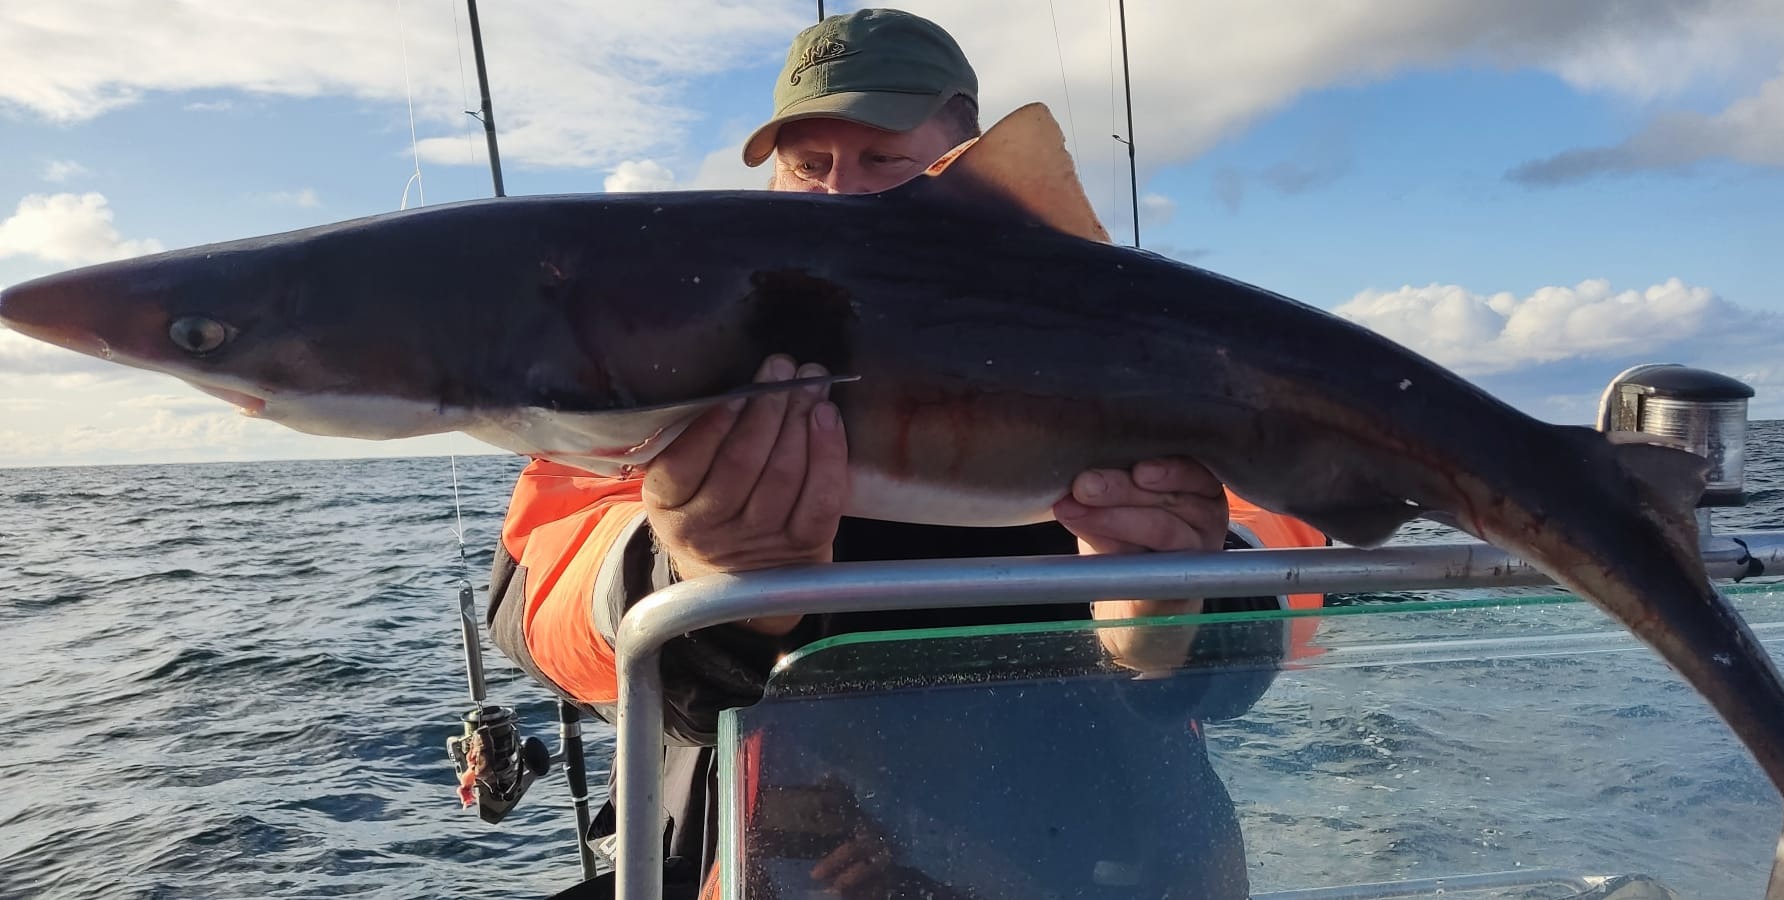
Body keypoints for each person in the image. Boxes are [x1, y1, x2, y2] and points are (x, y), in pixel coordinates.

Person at [486, 9, 1327, 898]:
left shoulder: (1126, 356)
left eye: (883, 160)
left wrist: (1178, 606)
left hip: (1107, 868)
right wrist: (686, 568)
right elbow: (537, 600)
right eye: (808, 168)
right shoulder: (678, 370)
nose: (841, 194)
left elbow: (1304, 575)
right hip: (777, 864)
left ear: (968, 166)